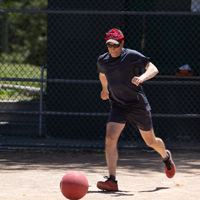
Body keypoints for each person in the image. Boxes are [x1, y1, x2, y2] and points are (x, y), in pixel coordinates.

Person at [96, 28, 176, 191]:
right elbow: (102, 74)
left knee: (150, 141)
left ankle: (166, 157)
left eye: (116, 45)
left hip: (137, 105)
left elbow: (153, 68)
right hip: (118, 105)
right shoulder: (102, 60)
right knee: (110, 138)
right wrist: (105, 89)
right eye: (109, 45)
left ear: (122, 43)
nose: (112, 48)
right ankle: (112, 180)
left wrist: (142, 77)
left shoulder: (131, 56)